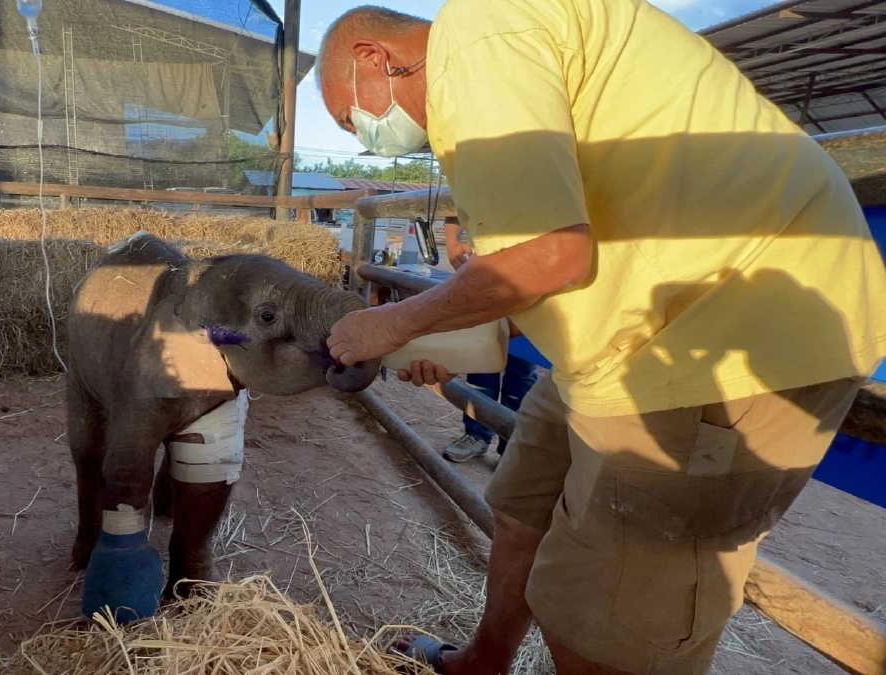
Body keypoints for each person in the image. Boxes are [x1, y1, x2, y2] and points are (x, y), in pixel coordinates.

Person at [317, 3, 886, 675]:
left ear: (373, 58)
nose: (365, 136)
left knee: (610, 618)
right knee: (522, 501)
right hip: (628, 330)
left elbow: (549, 255)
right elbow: (536, 266)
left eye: (352, 118)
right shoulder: (491, 82)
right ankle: (483, 662)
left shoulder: (477, 35)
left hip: (725, 325)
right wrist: (452, 339)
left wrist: (389, 322)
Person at [442, 216, 539, 465]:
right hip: (488, 272)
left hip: (531, 275)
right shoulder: (479, 177)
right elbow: (454, 203)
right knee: (482, 361)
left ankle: (511, 446)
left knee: (521, 369)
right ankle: (476, 434)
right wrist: (452, 241)